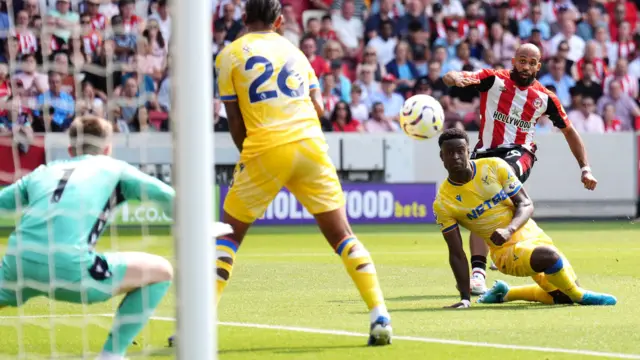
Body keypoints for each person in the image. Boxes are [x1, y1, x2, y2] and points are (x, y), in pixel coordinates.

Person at [206, 0, 392, 347]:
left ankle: (199, 325)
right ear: (279, 21)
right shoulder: (296, 52)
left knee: (228, 236)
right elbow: (319, 107)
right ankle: (379, 313)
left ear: (244, 18)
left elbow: (234, 120)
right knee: (343, 236)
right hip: (310, 145)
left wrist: (249, 157)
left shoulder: (228, 55)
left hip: (265, 146)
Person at [0, 116, 175, 360]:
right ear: (108, 149)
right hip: (72, 270)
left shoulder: (43, 172)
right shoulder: (115, 168)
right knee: (162, 271)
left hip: (17, 266)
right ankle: (111, 355)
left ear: (71, 150)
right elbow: (167, 195)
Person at [441, 43, 598, 295]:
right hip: (484, 152)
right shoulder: (494, 80)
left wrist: (585, 168)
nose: (526, 66)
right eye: (522, 61)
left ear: (538, 66)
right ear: (514, 61)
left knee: (495, 182)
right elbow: (460, 76)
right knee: (479, 206)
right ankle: (480, 271)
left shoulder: (545, 98)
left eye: (531, 62)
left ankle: (484, 268)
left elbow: (569, 131)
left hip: (519, 153)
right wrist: (454, 77)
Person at [433, 128, 616, 309]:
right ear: (442, 157)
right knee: (552, 259)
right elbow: (456, 252)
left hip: (532, 234)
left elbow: (526, 204)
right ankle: (581, 296)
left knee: (563, 296)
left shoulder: (494, 166)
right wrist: (465, 298)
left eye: (460, 151)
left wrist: (509, 229)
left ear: (468, 151)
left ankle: (507, 293)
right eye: (450, 153)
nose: (456, 156)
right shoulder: (443, 202)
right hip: (505, 252)